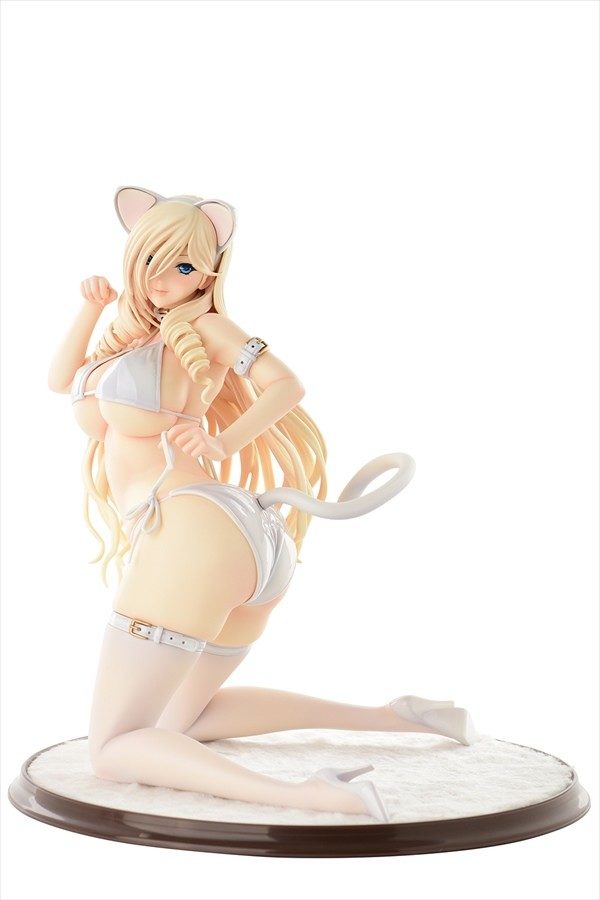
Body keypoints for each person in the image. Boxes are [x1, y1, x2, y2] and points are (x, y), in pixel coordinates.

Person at [47, 186, 478, 823]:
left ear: (209, 274)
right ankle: (402, 718)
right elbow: (61, 380)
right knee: (180, 719)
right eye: (150, 258)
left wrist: (223, 441)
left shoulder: (206, 327)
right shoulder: (135, 336)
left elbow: (286, 384)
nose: (161, 278)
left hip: (194, 532)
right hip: (229, 537)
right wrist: (89, 310)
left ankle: (311, 796)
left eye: (183, 265)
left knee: (113, 749)